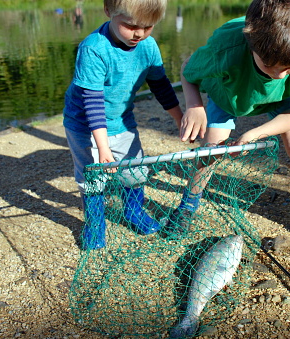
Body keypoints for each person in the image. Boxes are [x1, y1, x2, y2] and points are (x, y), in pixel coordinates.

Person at [165, 0, 290, 255]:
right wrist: (194, 105)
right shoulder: (226, 46)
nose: (280, 74)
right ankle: (187, 206)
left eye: (288, 69)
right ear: (252, 47)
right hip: (230, 95)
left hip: (282, 99)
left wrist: (258, 132)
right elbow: (187, 70)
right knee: (211, 151)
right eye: (269, 65)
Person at [63, 0, 183, 249]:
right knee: (93, 177)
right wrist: (103, 149)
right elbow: (93, 104)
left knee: (135, 171)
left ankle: (133, 212)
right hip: (85, 124)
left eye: (148, 26)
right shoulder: (93, 48)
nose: (139, 33)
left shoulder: (148, 46)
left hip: (122, 119)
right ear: (109, 12)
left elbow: (160, 85)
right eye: (130, 25)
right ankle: (95, 225)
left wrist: (180, 118)